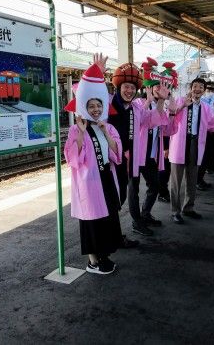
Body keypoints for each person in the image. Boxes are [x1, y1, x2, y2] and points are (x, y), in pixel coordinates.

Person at [63, 62, 123, 275]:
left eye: (99, 106)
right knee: (91, 221)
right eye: (91, 107)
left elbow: (117, 155)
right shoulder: (75, 129)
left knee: (107, 220)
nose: (96, 110)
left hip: (106, 178)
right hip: (88, 183)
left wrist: (106, 132)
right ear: (84, 108)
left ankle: (104, 255)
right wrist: (80, 132)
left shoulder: (109, 127)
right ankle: (93, 262)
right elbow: (72, 158)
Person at [109, 59, 169, 237]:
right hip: (114, 160)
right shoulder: (109, 105)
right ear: (119, 86)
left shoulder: (135, 107)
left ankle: (139, 219)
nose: (129, 91)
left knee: (142, 189)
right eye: (126, 86)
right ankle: (124, 230)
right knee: (121, 196)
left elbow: (150, 120)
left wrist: (160, 101)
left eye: (132, 88)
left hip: (135, 157)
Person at [128, 58, 177, 230]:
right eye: (157, 86)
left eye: (163, 86)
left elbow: (169, 131)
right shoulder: (138, 103)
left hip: (151, 155)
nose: (160, 89)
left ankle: (145, 213)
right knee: (133, 191)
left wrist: (171, 113)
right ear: (148, 87)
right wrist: (149, 102)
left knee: (155, 186)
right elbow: (142, 121)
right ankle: (137, 222)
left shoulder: (162, 106)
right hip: (135, 154)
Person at [167, 78, 214, 223]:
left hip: (196, 143)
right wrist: (182, 107)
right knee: (175, 181)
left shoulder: (205, 107)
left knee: (192, 179)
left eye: (201, 87)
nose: (197, 89)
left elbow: (213, 125)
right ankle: (175, 211)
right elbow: (169, 118)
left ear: (204, 90)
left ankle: (188, 208)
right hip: (179, 144)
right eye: (195, 86)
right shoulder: (180, 100)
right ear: (191, 88)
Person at [197, 81, 214, 190]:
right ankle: (197, 180)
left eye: (212, 90)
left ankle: (200, 178)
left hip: (213, 131)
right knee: (201, 158)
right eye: (208, 89)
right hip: (201, 133)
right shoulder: (200, 101)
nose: (210, 92)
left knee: (208, 156)